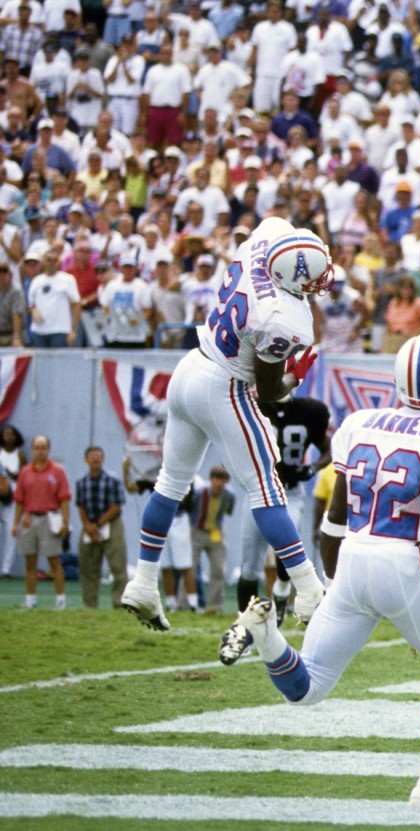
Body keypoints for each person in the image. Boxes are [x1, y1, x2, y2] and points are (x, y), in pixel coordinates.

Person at [219, 333, 420, 810]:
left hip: (353, 557)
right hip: (410, 560)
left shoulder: (360, 423)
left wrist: (334, 586)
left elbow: (333, 521)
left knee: (307, 690)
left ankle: (266, 633)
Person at [120, 217, 332, 634]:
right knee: (267, 489)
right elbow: (270, 391)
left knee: (170, 483)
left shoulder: (264, 241)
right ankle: (308, 588)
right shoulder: (281, 319)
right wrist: (295, 376)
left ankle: (143, 581)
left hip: (192, 366)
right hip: (225, 385)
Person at [239, 394, 331, 622]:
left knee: (287, 552)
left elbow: (329, 449)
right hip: (257, 489)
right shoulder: (250, 406)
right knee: (249, 564)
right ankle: (245, 625)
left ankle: (281, 595)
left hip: (291, 492)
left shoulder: (306, 411)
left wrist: (312, 468)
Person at [12, 435, 71, 609]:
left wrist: (65, 522)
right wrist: (16, 524)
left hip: (49, 518)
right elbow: (19, 500)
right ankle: (30, 600)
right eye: (37, 447)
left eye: (43, 447)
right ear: (32, 450)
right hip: (29, 518)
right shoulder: (25, 472)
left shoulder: (57, 471)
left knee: (54, 561)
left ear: (48, 450)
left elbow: (64, 499)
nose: (40, 451)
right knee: (30, 561)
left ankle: (60, 600)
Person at [74, 445, 127, 609]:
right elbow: (80, 505)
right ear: (86, 460)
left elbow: (117, 505)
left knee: (118, 567)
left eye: (98, 456)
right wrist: (88, 527)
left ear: (103, 459)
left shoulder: (113, 479)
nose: (95, 459)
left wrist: (98, 524)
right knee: (88, 568)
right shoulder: (81, 482)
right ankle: (90, 605)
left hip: (111, 524)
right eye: (92, 456)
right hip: (89, 525)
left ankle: (119, 604)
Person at [187, 465, 236, 614]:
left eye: (222, 480)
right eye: (216, 479)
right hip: (197, 531)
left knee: (218, 569)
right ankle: (184, 604)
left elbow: (228, 511)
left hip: (216, 532)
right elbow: (191, 509)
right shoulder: (199, 493)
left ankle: (215, 605)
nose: (219, 484)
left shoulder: (229, 495)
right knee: (189, 568)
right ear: (211, 479)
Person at [0, 424, 27, 579]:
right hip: (0, 494)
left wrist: (10, 474)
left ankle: (6, 569)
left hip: (14, 498)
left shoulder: (20, 455)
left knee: (12, 531)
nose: (8, 437)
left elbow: (24, 477)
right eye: (6, 434)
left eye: (11, 434)